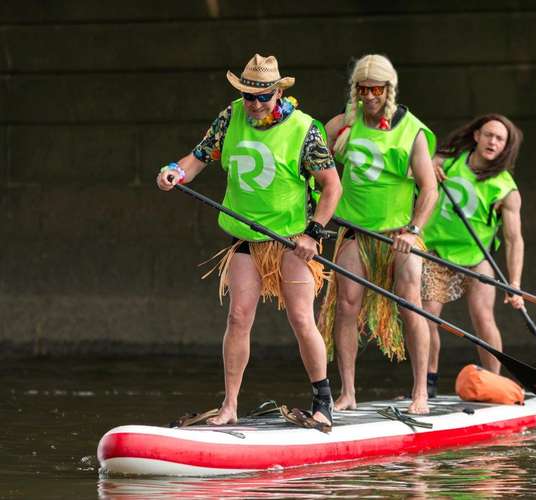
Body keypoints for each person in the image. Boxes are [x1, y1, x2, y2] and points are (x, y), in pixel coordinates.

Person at [156, 54, 342, 430]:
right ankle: (229, 406)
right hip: (245, 237)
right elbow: (197, 158)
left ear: (277, 93)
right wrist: (174, 172)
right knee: (238, 316)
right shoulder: (230, 117)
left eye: (262, 97)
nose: (254, 105)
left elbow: (331, 187)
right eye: (247, 96)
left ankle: (324, 402)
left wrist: (314, 233)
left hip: (291, 240)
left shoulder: (306, 130)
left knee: (300, 317)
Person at [318, 54, 438, 414]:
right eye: (362, 89)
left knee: (410, 305)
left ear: (389, 90)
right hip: (355, 231)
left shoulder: (411, 130)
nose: (369, 96)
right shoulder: (342, 125)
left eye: (376, 89)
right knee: (346, 306)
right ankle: (348, 393)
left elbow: (429, 189)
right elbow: (312, 168)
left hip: (399, 234)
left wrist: (414, 230)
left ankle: (420, 392)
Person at [420, 114, 525, 397]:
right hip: (436, 254)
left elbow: (514, 239)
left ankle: (493, 382)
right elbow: (414, 169)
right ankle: (427, 384)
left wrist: (514, 283)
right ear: (477, 136)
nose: (493, 142)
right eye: (489, 135)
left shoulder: (505, 188)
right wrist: (428, 167)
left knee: (483, 317)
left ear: (505, 147)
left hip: (477, 259)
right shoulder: (448, 162)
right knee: (427, 317)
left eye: (500, 139)